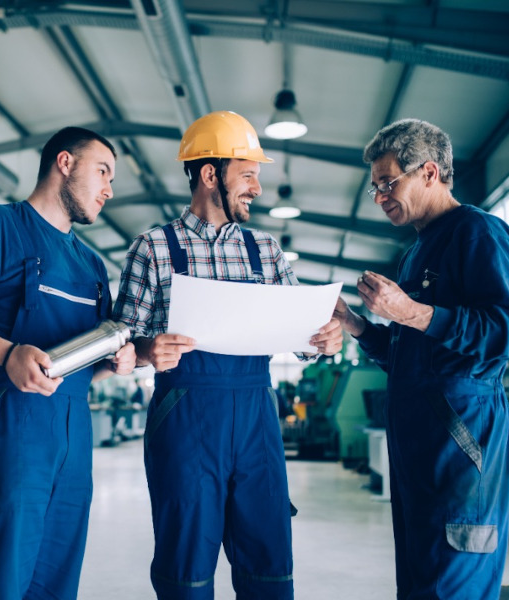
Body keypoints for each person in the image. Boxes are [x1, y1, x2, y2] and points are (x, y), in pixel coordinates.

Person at [113, 110, 342, 600]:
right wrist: (146, 350)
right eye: (249, 174)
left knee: (268, 557)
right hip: (185, 419)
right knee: (186, 561)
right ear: (210, 174)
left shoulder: (267, 251)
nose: (257, 187)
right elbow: (119, 350)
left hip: (258, 419)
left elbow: (303, 341)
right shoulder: (152, 249)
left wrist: (322, 341)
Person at [0, 126, 136, 600]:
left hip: (72, 449)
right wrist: (7, 353)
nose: (109, 188)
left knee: (56, 581)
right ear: (64, 163)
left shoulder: (92, 266)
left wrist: (118, 360)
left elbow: (84, 362)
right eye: (102, 171)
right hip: (2, 438)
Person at [333, 119, 509, 599]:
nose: (379, 198)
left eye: (387, 184)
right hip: (417, 447)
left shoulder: (478, 233)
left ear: (430, 172)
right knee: (420, 582)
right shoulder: (415, 253)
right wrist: (358, 325)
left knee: (456, 577)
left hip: (462, 442)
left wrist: (415, 312)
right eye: (374, 187)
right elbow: (409, 358)